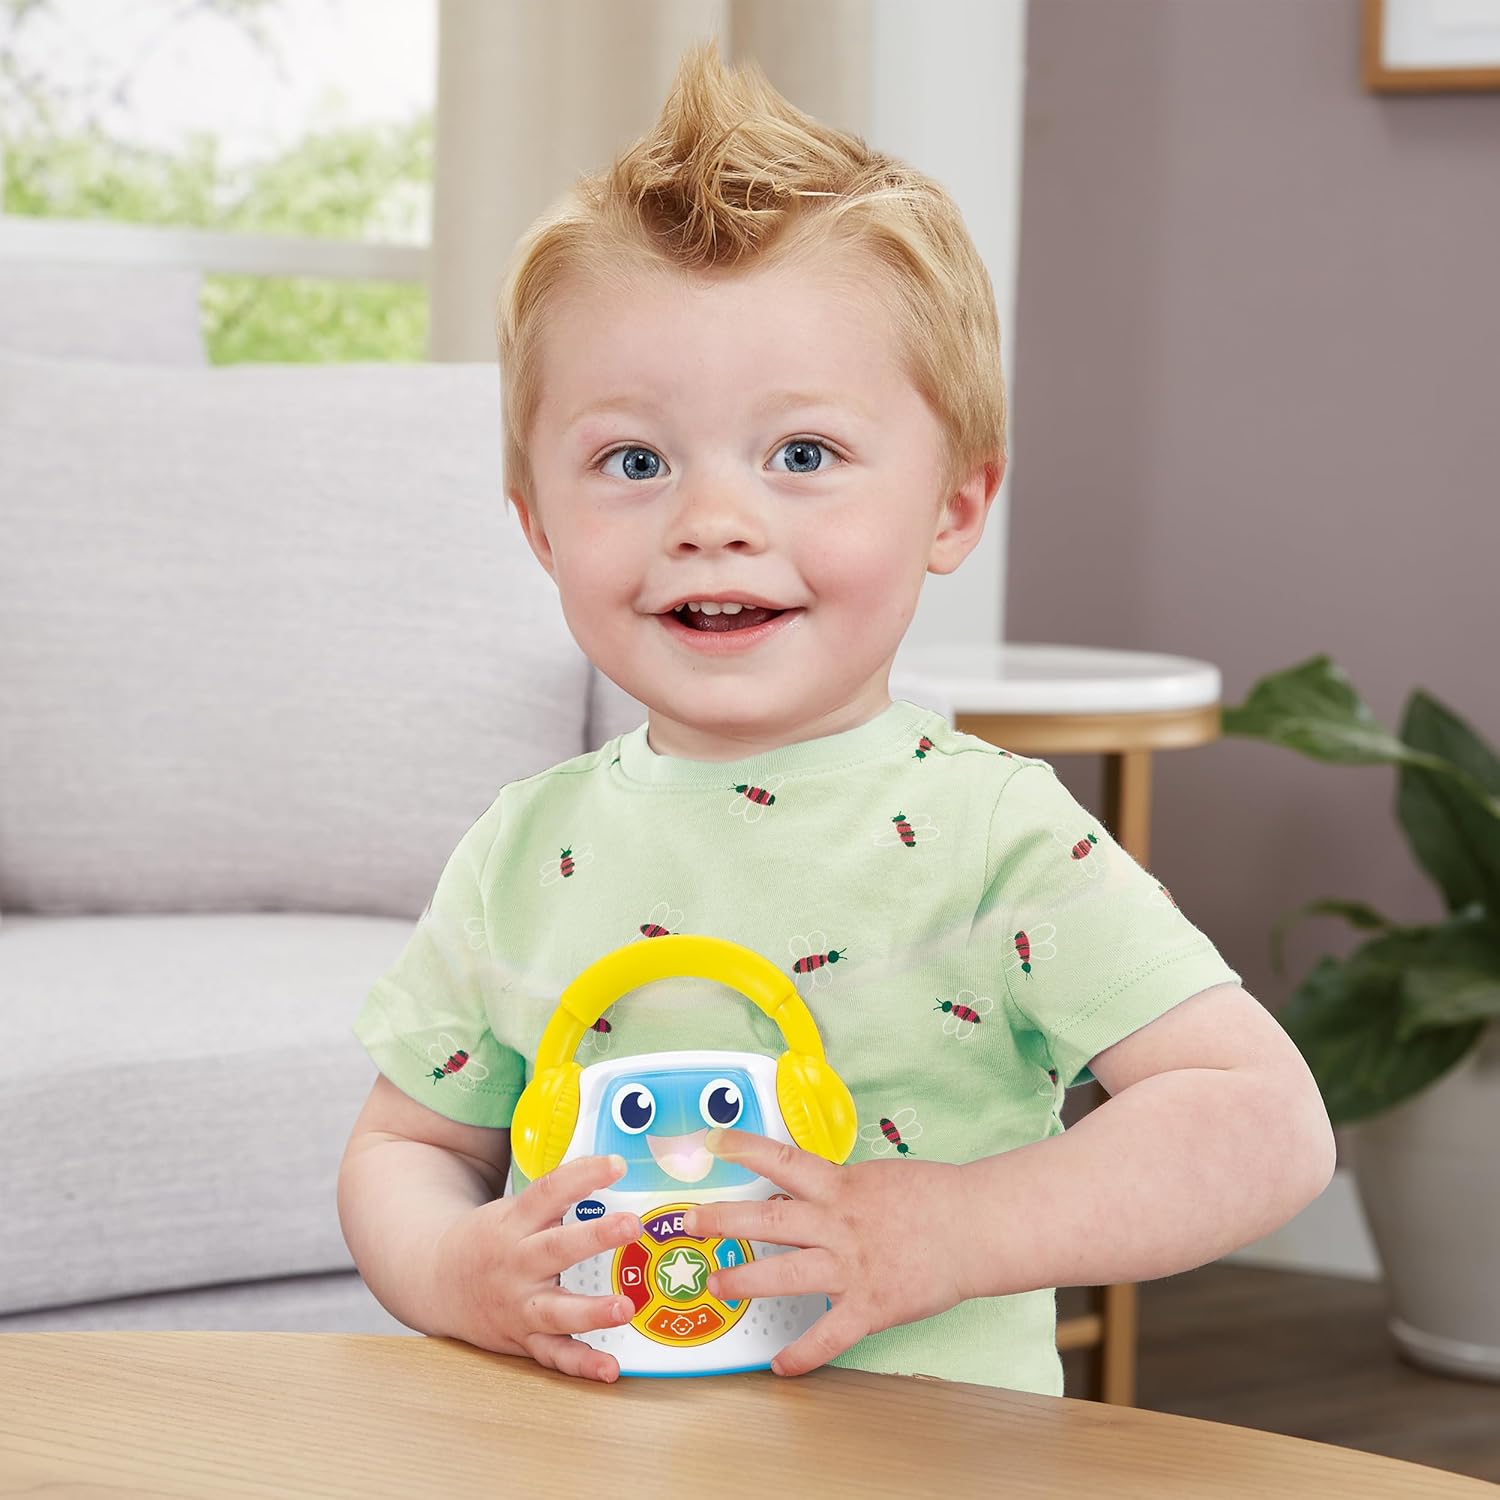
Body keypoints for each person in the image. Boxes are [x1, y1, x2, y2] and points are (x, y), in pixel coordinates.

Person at [337, 39, 1335, 1396]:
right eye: (633, 461)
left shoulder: (990, 834)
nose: (714, 523)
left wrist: (948, 1230)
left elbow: (1267, 1127)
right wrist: (454, 1274)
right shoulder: (521, 850)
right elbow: (405, 1151)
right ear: (538, 524)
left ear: (954, 508)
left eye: (802, 456)